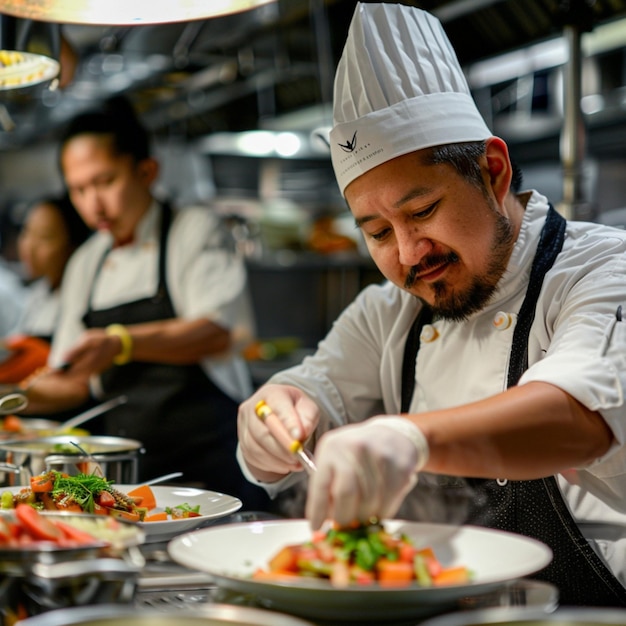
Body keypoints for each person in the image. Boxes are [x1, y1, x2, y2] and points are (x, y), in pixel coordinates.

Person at [237, 2, 626, 607]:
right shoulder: (387, 312)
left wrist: (408, 438)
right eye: (377, 232)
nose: (409, 252)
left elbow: (577, 416)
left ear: (493, 172)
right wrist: (274, 412)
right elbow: (310, 386)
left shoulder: (602, 270)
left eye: (421, 212)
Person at [22, 95, 269, 507]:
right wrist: (11, 394)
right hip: (128, 480)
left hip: (210, 472)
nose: (93, 204)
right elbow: (71, 379)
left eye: (105, 182)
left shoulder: (193, 229)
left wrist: (120, 343)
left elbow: (216, 331)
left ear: (146, 171)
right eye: (79, 190)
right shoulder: (87, 260)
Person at [0, 194, 92, 384]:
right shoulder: (39, 293)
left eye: (44, 237)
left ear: (73, 247)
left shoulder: (82, 299)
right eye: (26, 233)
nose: (28, 246)